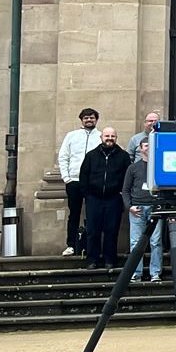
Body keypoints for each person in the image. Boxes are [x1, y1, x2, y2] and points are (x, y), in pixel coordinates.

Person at [78, 126, 131, 271]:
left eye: (112, 136)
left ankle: (110, 260)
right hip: (94, 199)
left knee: (111, 231)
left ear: (116, 138)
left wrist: (121, 194)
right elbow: (83, 176)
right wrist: (87, 194)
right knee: (92, 231)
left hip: (114, 199)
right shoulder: (91, 155)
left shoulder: (123, 156)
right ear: (101, 137)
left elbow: (127, 178)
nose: (110, 139)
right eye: (107, 136)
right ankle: (92, 260)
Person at [56, 107, 100, 256]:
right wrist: (66, 178)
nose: (89, 120)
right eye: (86, 118)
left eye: (92, 117)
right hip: (74, 181)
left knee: (93, 214)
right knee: (74, 214)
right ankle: (71, 245)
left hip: (93, 182)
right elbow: (63, 156)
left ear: (96, 120)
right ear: (81, 120)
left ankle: (91, 246)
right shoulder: (71, 136)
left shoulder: (100, 136)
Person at [121, 138, 164, 282]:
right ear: (140, 148)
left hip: (155, 208)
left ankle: (155, 273)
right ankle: (136, 272)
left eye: (151, 145)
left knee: (156, 242)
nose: (148, 148)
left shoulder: (159, 166)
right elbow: (125, 190)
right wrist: (129, 206)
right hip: (137, 209)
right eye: (146, 145)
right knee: (135, 242)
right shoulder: (133, 168)